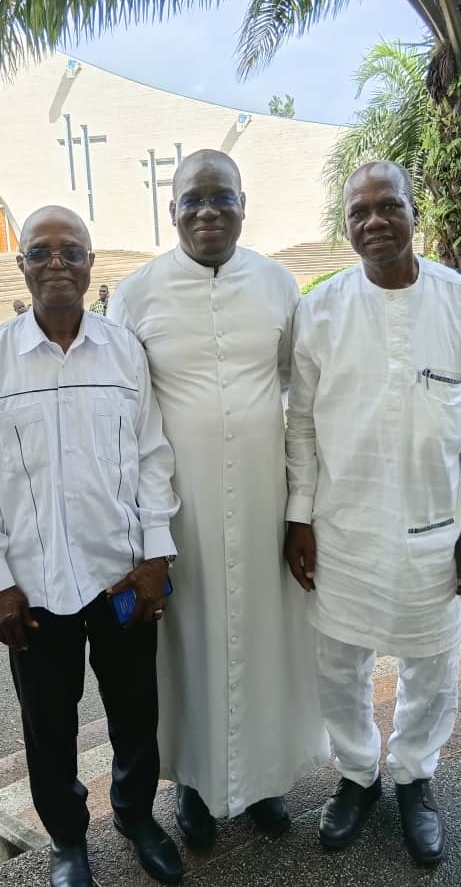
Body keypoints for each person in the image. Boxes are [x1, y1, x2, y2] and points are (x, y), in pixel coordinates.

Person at [285, 161, 461, 867]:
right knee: (339, 663)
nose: (373, 221)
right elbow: (300, 429)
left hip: (432, 531)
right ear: (345, 223)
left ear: (417, 212)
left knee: (430, 662)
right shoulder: (317, 311)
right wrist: (299, 517)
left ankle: (414, 776)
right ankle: (357, 774)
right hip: (341, 528)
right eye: (358, 211)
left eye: (388, 206)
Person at [0, 206, 183, 887]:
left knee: (135, 712)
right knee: (47, 725)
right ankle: (67, 843)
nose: (57, 263)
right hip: (33, 586)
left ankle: (138, 819)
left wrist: (155, 556)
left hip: (120, 578)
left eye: (71, 251)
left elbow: (152, 458)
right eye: (41, 251)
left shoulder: (122, 352)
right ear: (19, 265)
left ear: (91, 265)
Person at [109, 150, 328, 846]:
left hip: (265, 500)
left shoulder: (276, 283)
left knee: (267, 643)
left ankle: (264, 782)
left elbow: (301, 401)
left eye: (220, 198)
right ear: (170, 209)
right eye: (191, 200)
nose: (207, 213)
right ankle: (197, 791)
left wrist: (300, 510)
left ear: (242, 203)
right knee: (186, 651)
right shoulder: (137, 293)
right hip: (182, 513)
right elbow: (125, 419)